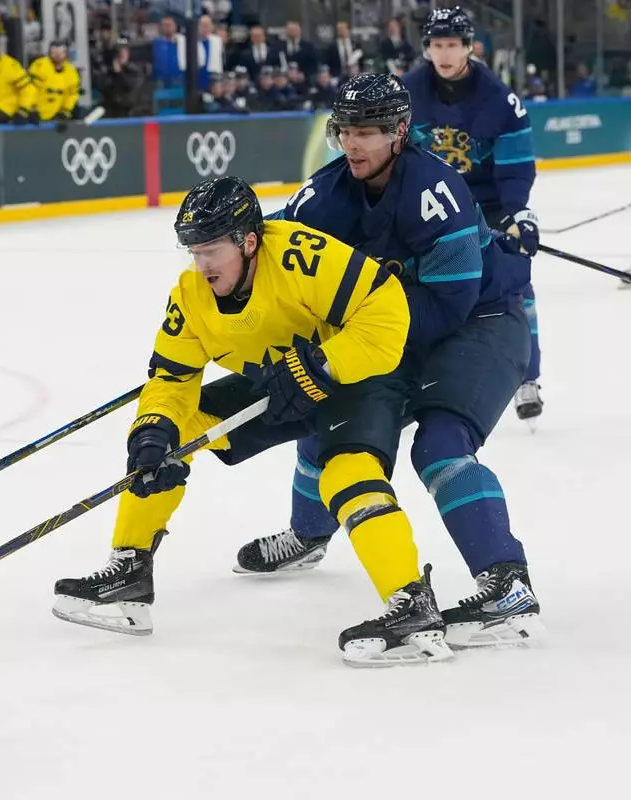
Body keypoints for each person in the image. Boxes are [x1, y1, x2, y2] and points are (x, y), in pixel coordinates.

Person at [50, 175, 460, 667]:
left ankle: (411, 602)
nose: (201, 265)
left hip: (356, 376)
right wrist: (154, 427)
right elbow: (169, 379)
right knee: (168, 437)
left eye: (211, 251)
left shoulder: (299, 257)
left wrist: (322, 366)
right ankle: (130, 573)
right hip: (280, 382)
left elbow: (388, 310)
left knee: (347, 472)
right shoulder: (191, 296)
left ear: (248, 240)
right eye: (193, 251)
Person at [234, 74, 541, 652]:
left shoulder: (436, 191)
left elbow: (450, 304)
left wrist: (346, 348)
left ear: (400, 132)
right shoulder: (328, 192)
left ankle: (507, 586)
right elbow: (279, 255)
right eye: (345, 130)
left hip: (483, 322)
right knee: (331, 417)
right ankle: (308, 535)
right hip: (400, 330)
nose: (353, 144)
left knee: (441, 444)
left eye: (368, 131)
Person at [406, 7, 543, 422]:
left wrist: (518, 213)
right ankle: (413, 381)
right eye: (436, 45)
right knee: (417, 291)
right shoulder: (407, 91)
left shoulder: (500, 99)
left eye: (452, 45)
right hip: (431, 209)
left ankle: (527, 378)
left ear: (468, 47)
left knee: (515, 284)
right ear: (426, 48)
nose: (444, 53)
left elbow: (515, 167)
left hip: (488, 210)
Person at [29, 39, 81, 131]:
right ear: (49, 52)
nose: (58, 55)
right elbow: (30, 90)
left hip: (56, 116)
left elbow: (72, 94)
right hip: (36, 114)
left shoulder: (71, 72)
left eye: (61, 52)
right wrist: (31, 109)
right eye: (54, 52)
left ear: (66, 53)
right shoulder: (39, 66)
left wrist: (65, 112)